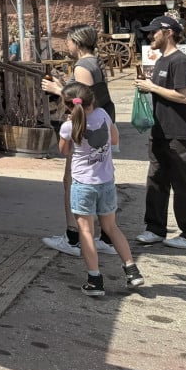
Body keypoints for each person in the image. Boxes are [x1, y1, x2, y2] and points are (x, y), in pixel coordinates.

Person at [57, 81, 144, 297]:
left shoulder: (68, 127)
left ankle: (95, 280)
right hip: (106, 181)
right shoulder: (103, 115)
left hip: (83, 184)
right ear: (92, 99)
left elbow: (64, 151)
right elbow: (114, 139)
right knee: (111, 227)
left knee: (86, 232)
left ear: (68, 106)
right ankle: (132, 270)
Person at [40, 25, 118, 258]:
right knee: (98, 181)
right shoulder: (94, 62)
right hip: (99, 130)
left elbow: (82, 101)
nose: (67, 44)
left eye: (68, 40)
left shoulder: (83, 66)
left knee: (73, 182)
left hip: (85, 134)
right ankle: (105, 237)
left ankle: (73, 237)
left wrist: (58, 89)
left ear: (76, 42)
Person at [133, 15, 186, 249]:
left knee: (183, 183)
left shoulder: (179, 61)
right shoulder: (161, 60)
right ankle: (155, 229)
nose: (149, 36)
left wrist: (152, 87)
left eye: (153, 32)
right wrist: (147, 88)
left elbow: (185, 96)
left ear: (168, 33)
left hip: (180, 132)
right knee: (156, 180)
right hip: (160, 131)